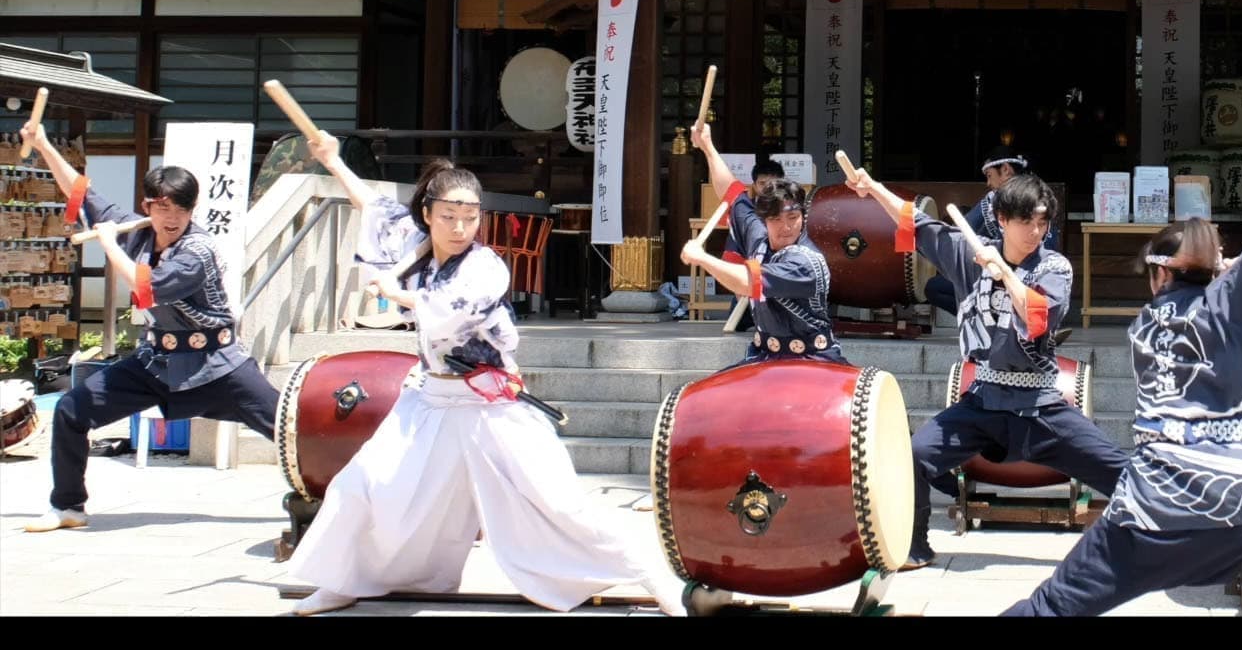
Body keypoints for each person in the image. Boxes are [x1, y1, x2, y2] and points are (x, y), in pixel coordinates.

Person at [284, 135, 685, 616]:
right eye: (448, 217)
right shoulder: (414, 244)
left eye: (470, 217)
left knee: (555, 502)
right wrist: (333, 161)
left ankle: (647, 575)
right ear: (428, 214)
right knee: (364, 484)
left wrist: (395, 291)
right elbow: (371, 205)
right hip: (430, 401)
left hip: (489, 403)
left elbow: (449, 310)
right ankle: (346, 580)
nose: (459, 228)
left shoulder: (485, 266)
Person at [1001, 123, 1242, 617]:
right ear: (1214, 270)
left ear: (1157, 276)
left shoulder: (1143, 326)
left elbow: (1216, 282)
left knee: (1047, 606)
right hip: (1240, 506)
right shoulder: (1234, 305)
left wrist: (1227, 271)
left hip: (1150, 511)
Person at [846, 166, 1127, 570]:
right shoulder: (969, 255)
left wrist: (1005, 273)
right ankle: (914, 545)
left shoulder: (1054, 267)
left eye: (1043, 222)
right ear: (1002, 219)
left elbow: (1038, 317)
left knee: (1121, 471)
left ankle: (1157, 542)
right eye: (1026, 221)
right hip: (982, 400)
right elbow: (916, 221)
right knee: (916, 455)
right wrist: (873, 188)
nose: (1036, 231)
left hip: (1039, 405)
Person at [20, 121, 280, 534]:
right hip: (155, 363)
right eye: (163, 208)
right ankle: (68, 505)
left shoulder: (197, 251)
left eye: (181, 209)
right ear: (147, 206)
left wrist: (108, 244)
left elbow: (146, 289)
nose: (172, 217)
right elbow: (81, 192)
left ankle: (332, 498)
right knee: (72, 410)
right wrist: (43, 144)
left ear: (193, 209)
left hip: (216, 365)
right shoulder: (138, 232)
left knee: (290, 428)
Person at [681, 122, 843, 369]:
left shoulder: (805, 262)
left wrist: (702, 258)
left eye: (793, 217)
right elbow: (732, 194)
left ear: (803, 216)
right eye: (776, 219)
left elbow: (748, 282)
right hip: (765, 357)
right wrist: (708, 146)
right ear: (764, 220)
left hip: (811, 361)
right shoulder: (759, 237)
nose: (786, 227)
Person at [923, 147, 1063, 320]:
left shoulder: (995, 200)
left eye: (989, 175)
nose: (988, 183)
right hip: (1038, 281)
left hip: (1011, 281)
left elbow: (962, 231)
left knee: (934, 287)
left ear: (1005, 169)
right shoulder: (1040, 193)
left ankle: (985, 322)